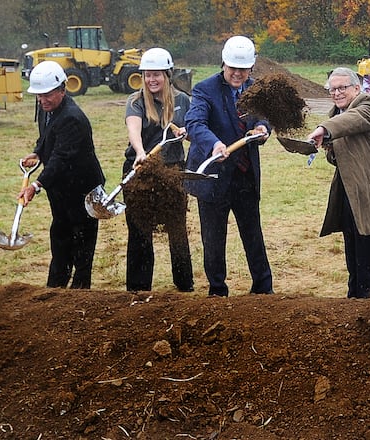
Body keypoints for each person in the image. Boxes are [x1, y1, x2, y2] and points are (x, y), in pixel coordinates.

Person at [185, 36, 272, 297]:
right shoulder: (204, 89)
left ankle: (263, 288)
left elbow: (265, 117)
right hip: (214, 177)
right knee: (213, 239)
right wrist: (213, 144)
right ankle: (217, 290)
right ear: (223, 63)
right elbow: (195, 123)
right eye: (233, 67)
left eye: (243, 68)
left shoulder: (255, 90)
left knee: (253, 235)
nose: (237, 73)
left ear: (251, 67)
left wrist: (263, 128)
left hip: (244, 176)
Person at [19, 60, 105, 289]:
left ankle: (79, 293)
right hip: (61, 189)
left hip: (83, 190)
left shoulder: (72, 118)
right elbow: (48, 135)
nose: (42, 100)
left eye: (47, 94)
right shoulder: (47, 108)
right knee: (60, 238)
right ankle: (55, 290)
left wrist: (35, 185)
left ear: (62, 90)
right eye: (39, 95)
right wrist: (37, 152)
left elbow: (61, 158)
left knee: (82, 245)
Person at [308, 67, 370, 298]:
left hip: (368, 189)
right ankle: (354, 296)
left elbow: (356, 120)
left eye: (342, 87)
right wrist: (329, 147)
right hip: (349, 189)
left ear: (357, 88)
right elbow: (340, 154)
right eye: (332, 89)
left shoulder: (367, 104)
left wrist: (325, 128)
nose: (337, 93)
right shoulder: (338, 113)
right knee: (352, 246)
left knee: (367, 246)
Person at [122, 48, 193, 292]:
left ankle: (184, 284)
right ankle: (138, 288)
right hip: (141, 169)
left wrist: (187, 133)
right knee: (140, 229)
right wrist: (140, 151)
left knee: (177, 228)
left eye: (157, 75)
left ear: (167, 75)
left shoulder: (182, 100)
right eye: (147, 75)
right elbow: (134, 127)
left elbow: (193, 129)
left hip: (172, 170)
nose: (151, 80)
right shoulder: (136, 101)